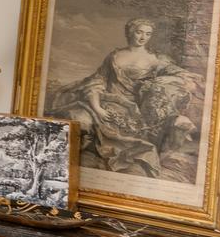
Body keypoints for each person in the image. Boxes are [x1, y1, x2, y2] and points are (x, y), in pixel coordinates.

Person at [48, 17, 202, 179]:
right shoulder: (114, 56)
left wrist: (166, 80)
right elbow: (98, 80)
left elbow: (180, 75)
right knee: (77, 118)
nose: (143, 37)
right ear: (130, 32)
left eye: (148, 34)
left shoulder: (156, 59)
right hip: (108, 100)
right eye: (139, 32)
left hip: (134, 108)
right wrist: (97, 107)